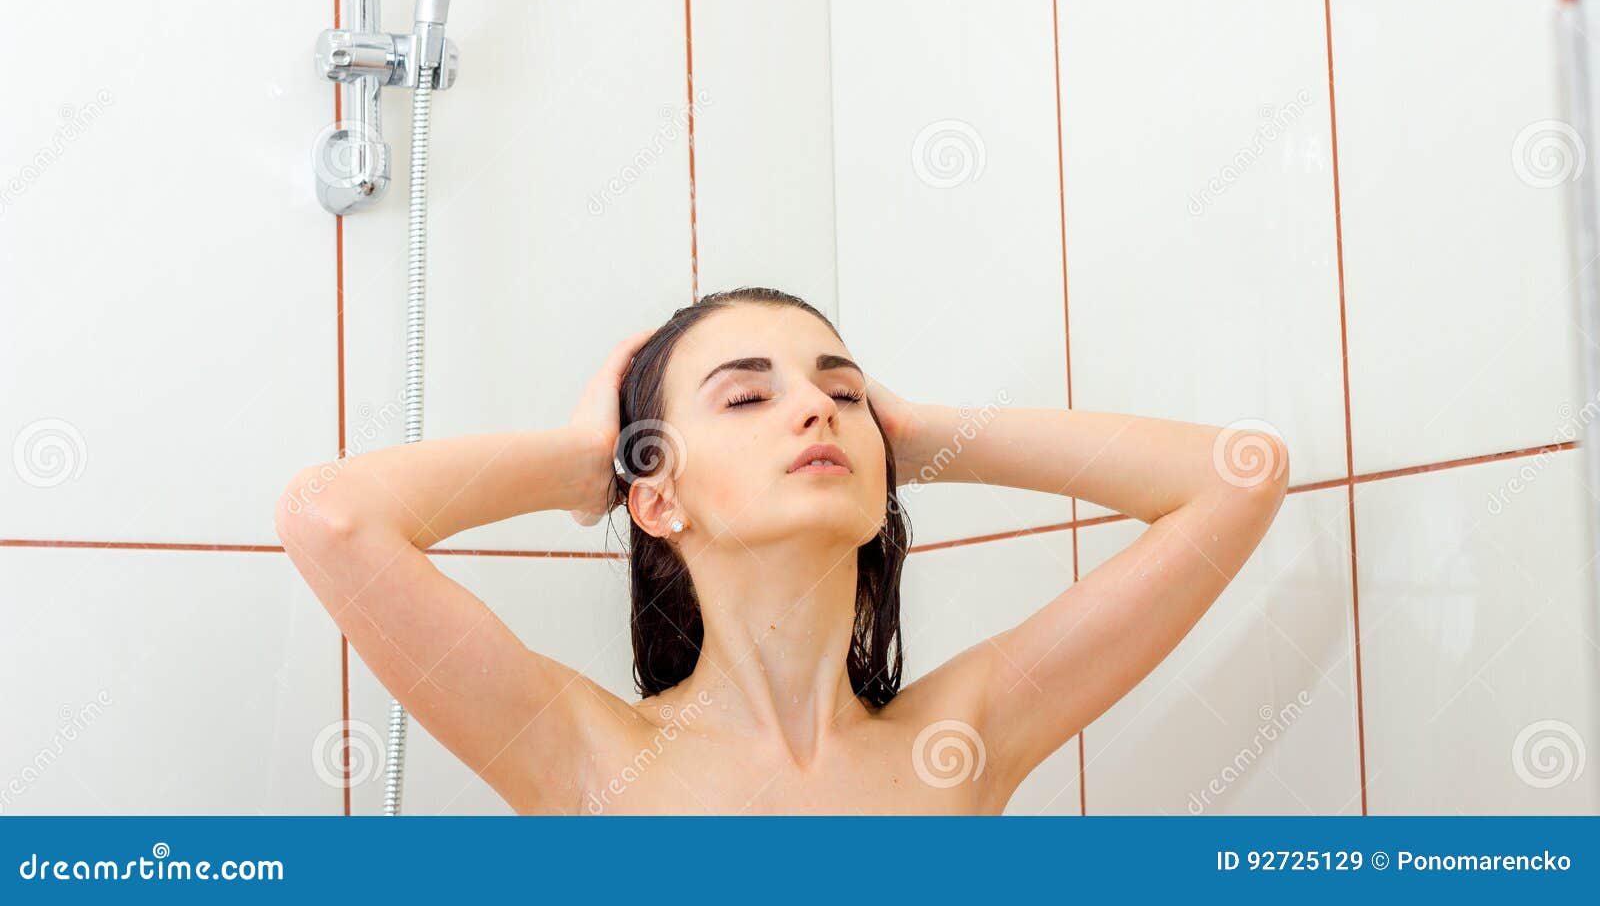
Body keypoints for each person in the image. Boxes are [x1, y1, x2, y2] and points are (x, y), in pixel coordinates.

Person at [276, 286, 1290, 813]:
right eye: (749, 394)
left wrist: (923, 437)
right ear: (658, 495)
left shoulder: (965, 735)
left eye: (842, 391)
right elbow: (331, 514)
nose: (814, 405)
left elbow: (1237, 476)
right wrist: (586, 459)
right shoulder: (581, 754)